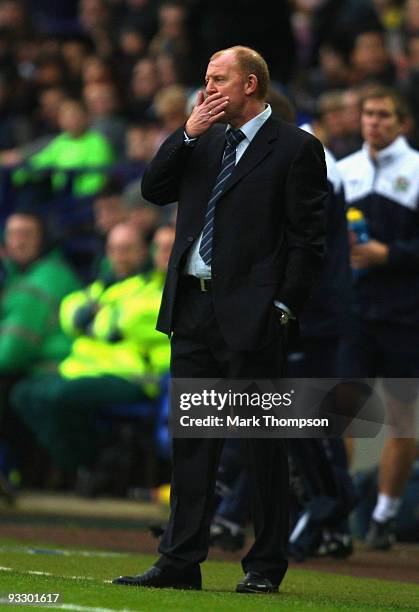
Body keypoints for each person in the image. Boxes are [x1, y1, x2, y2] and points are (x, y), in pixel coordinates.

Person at [113, 45, 328, 593]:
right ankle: (180, 560)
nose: (207, 88)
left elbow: (308, 238)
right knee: (192, 443)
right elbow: (153, 189)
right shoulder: (201, 138)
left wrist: (284, 308)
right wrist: (185, 133)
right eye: (206, 79)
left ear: (250, 84)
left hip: (255, 316)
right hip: (192, 308)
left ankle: (264, 566)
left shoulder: (296, 148)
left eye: (217, 79)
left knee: (262, 447)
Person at [11, 223, 171, 476]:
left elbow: (132, 320)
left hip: (129, 377)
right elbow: (69, 311)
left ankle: (90, 464)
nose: (119, 256)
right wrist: (96, 320)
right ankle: (84, 464)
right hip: (80, 371)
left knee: (58, 398)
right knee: (23, 393)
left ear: (143, 253)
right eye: (114, 249)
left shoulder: (154, 287)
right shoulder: (101, 286)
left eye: (127, 249)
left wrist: (93, 321)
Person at [337, 86, 419, 550]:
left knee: (402, 418)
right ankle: (338, 513)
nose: (374, 122)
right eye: (368, 113)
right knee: (343, 414)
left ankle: (384, 516)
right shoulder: (345, 171)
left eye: (384, 115)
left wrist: (390, 254)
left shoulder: (417, 170)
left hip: (405, 314)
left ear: (402, 123)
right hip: (356, 311)